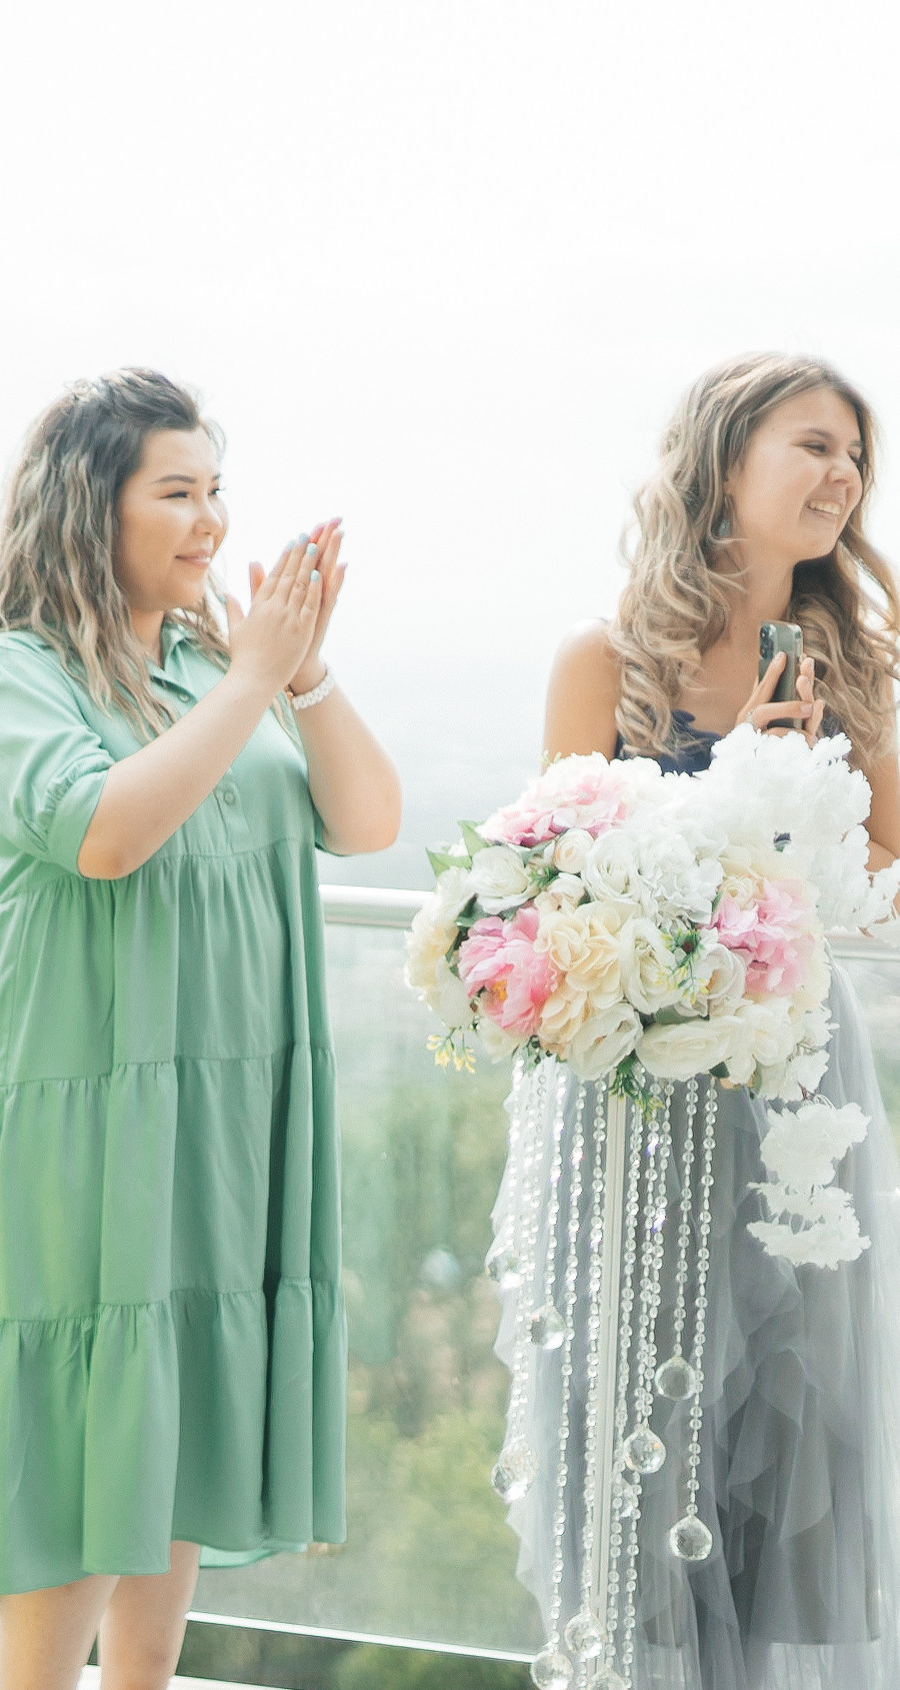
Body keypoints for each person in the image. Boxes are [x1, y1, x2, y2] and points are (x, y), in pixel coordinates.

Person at [0, 369, 398, 1690]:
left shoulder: (212, 663)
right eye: (176, 492)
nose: (207, 522)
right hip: (81, 1091)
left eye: (214, 492)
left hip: (224, 1089)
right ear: (92, 507)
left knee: (175, 1388)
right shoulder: (7, 676)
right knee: (87, 1404)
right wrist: (249, 684)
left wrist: (296, 672)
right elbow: (105, 830)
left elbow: (365, 820)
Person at [504, 351, 900, 1685]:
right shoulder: (606, 657)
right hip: (636, 1073)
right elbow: (554, 873)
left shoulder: (848, 659)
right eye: (811, 444)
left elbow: (889, 862)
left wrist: (821, 803)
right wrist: (726, 790)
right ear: (721, 465)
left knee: (792, 1414)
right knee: (635, 1397)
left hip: (796, 1068)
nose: (841, 473)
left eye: (854, 453)